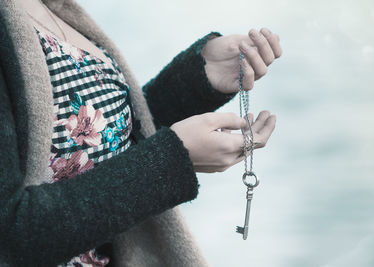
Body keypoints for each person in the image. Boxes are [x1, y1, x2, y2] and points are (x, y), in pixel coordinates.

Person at [0, 0, 282, 266]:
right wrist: (169, 160)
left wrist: (197, 78)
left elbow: (97, 141)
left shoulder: (50, 7)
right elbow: (11, 234)